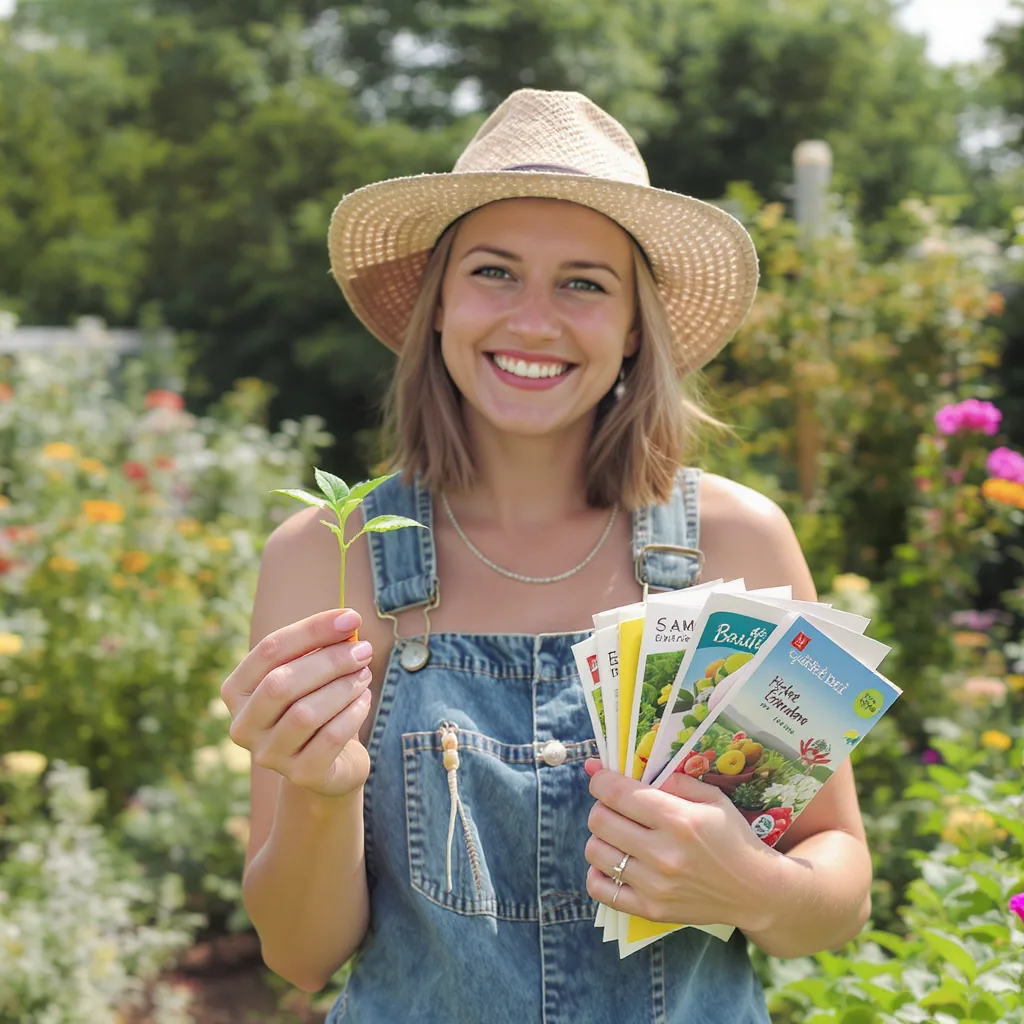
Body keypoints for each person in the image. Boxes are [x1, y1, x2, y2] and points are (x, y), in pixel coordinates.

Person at [220, 89, 873, 1023]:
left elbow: (836, 891)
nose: (533, 321)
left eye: (584, 282)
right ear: (437, 306)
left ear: (634, 327)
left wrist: (755, 889)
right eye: (494, 272)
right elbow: (300, 954)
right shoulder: (332, 561)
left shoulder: (738, 545)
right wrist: (323, 794)